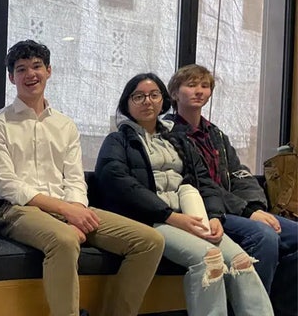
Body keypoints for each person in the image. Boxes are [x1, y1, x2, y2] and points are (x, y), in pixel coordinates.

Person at [0, 40, 165, 316]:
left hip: (69, 208)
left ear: (49, 70)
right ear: (11, 78)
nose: (30, 74)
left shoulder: (64, 125)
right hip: (18, 212)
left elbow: (76, 179)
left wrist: (75, 211)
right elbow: (9, 186)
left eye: (37, 66)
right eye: (21, 69)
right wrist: (67, 214)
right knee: (65, 240)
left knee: (150, 241)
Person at [95, 72, 274, 316]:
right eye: (138, 96)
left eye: (154, 95)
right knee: (210, 258)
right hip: (151, 221)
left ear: (163, 100)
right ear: (127, 103)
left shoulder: (179, 139)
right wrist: (170, 216)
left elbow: (204, 183)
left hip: (192, 216)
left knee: (242, 262)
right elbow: (118, 184)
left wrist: (213, 216)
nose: (147, 101)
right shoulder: (117, 141)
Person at [166, 63, 298, 315]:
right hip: (205, 212)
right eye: (191, 85)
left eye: (204, 86)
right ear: (174, 93)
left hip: (236, 210)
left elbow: (241, 175)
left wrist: (256, 207)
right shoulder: (170, 133)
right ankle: (248, 309)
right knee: (264, 236)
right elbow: (199, 186)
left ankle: (278, 307)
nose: (199, 91)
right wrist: (249, 212)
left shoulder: (215, 133)